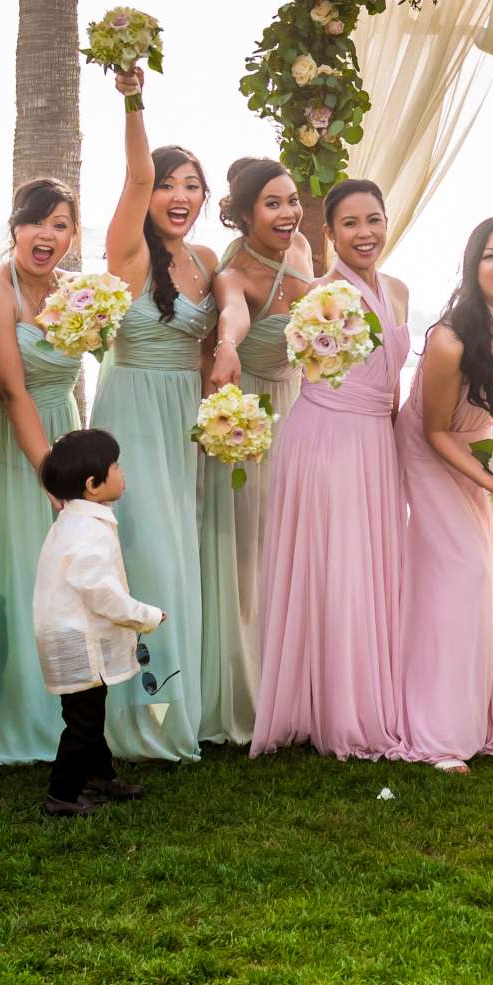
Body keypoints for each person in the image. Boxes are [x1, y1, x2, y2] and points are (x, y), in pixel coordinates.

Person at [86, 67, 229, 759]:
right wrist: (134, 99)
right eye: (169, 183)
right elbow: (135, 181)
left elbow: (233, 319)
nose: (178, 195)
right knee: (143, 554)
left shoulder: (205, 260)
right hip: (133, 415)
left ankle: (178, 705)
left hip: (183, 423)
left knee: (181, 551)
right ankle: (137, 717)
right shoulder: (129, 252)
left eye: (191, 185)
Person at [251, 178, 413, 760]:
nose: (364, 233)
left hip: (375, 440)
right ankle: (338, 712)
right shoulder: (318, 295)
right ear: (330, 234)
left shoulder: (398, 289)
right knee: (337, 566)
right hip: (327, 439)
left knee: (368, 566)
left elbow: (392, 384)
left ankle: (368, 692)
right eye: (350, 223)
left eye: (374, 219)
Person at [394, 218, 493, 771]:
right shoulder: (448, 339)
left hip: (475, 448)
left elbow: (492, 414)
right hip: (431, 450)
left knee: (480, 575)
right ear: (472, 267)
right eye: (489, 255)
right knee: (459, 575)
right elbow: (434, 430)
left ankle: (478, 718)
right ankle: (438, 733)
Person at [0, 177, 83, 768]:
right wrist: (52, 473)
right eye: (38, 221)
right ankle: (13, 716)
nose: (48, 234)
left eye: (61, 224)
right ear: (15, 228)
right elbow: (13, 392)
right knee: (20, 573)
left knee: (68, 580)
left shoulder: (75, 292)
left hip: (65, 428)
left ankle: (71, 716)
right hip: (15, 448)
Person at [206, 154, 314, 744]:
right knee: (252, 548)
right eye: (273, 203)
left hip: (299, 409)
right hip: (251, 415)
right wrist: (226, 345)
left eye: (292, 199)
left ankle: (296, 676)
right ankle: (252, 684)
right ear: (245, 215)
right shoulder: (234, 271)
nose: (288, 212)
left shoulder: (301, 251)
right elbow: (232, 316)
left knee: (292, 543)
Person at [32, 429, 163, 817]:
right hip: (77, 641)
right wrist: (145, 615)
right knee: (82, 723)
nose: (122, 474)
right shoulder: (88, 530)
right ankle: (62, 795)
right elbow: (100, 592)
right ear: (92, 485)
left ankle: (98, 775)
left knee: (90, 713)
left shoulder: (77, 520)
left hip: (72, 636)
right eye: (115, 467)